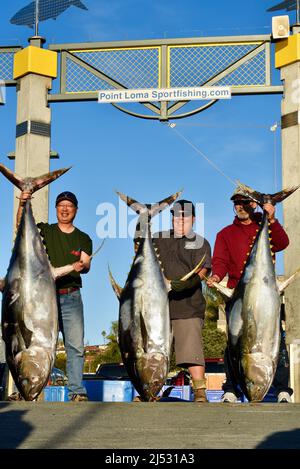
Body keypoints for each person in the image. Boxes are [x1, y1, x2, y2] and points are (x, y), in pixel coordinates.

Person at [207, 187, 293, 403]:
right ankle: (231, 388)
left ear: (253, 204)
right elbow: (220, 262)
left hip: (266, 297)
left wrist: (271, 218)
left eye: (244, 202)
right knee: (234, 342)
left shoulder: (263, 225)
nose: (240, 206)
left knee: (276, 341)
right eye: (236, 203)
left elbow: (283, 243)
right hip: (237, 298)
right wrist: (216, 276)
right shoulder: (224, 234)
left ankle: (283, 389)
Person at [17, 190, 92, 402]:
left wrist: (83, 265)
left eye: (69, 206)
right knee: (34, 344)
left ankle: (76, 391)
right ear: (56, 209)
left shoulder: (83, 238)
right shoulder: (44, 231)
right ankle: (30, 387)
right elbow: (20, 229)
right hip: (42, 299)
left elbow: (86, 264)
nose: (65, 209)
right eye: (61, 205)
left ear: (75, 210)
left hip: (71, 297)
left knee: (75, 346)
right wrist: (24, 204)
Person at [151, 199, 212, 402]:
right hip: (157, 310)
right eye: (176, 215)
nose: (180, 219)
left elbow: (203, 271)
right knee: (154, 352)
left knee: (191, 350)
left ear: (193, 219)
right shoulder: (157, 239)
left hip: (188, 306)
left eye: (185, 215)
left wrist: (187, 283)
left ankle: (200, 391)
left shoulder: (201, 242)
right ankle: (149, 390)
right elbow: (141, 256)